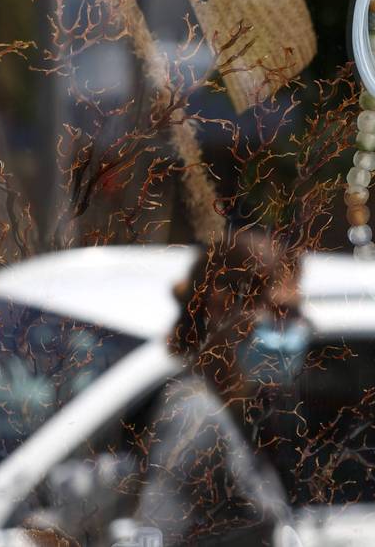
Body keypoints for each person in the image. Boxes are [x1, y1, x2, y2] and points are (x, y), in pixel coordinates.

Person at [133, 231, 299, 546]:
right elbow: (152, 535)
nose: (296, 329)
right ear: (223, 306)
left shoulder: (242, 409)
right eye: (282, 312)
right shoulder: (197, 419)